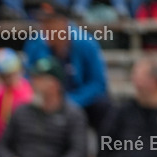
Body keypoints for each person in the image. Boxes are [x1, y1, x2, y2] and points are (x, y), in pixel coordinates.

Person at [23, 1, 111, 131]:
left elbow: (98, 84)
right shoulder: (35, 44)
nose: (45, 28)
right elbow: (27, 78)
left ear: (63, 22)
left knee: (103, 105)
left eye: (50, 22)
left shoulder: (86, 43)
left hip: (80, 101)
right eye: (43, 23)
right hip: (46, 100)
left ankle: (105, 144)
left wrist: (70, 102)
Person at [0, 48, 34, 152]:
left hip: (20, 145)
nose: (8, 79)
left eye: (11, 74)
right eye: (4, 76)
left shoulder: (28, 92)